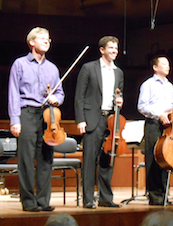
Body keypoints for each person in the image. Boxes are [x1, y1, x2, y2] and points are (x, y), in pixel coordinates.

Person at [8, 27, 64, 212]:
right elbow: (13, 93)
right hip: (27, 113)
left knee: (46, 158)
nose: (47, 41)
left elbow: (60, 93)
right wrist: (15, 119)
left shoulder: (53, 68)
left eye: (48, 39)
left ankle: (43, 200)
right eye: (42, 39)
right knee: (25, 159)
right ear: (31, 42)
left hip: (48, 115)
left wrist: (57, 99)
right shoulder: (20, 64)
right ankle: (28, 201)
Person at [74, 36, 124, 209]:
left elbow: (119, 94)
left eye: (116, 48)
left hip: (110, 121)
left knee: (108, 160)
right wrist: (80, 119)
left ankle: (105, 197)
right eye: (111, 48)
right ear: (102, 50)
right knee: (89, 161)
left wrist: (120, 101)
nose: (114, 51)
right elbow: (79, 96)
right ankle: (88, 199)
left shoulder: (119, 72)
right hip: (92, 119)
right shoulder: (89, 68)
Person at [137, 55, 173, 206]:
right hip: (153, 123)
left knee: (166, 158)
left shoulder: (170, 85)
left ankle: (164, 194)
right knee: (153, 158)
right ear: (155, 67)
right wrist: (159, 114)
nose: (167, 66)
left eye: (168, 64)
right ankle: (154, 195)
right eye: (164, 64)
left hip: (167, 126)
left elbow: (170, 106)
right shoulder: (148, 84)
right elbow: (142, 106)